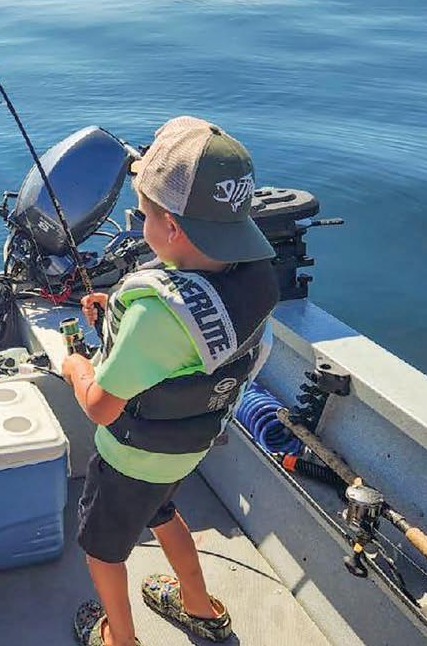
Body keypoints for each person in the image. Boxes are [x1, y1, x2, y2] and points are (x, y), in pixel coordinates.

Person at [62, 116, 280, 646]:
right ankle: (199, 608)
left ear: (172, 229)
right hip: (186, 451)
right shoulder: (251, 281)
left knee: (102, 551)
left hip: (130, 459)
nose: (141, 226)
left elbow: (101, 407)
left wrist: (75, 366)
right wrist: (117, 318)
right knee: (161, 511)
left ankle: (119, 638)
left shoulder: (153, 315)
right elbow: (191, 347)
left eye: (143, 216)